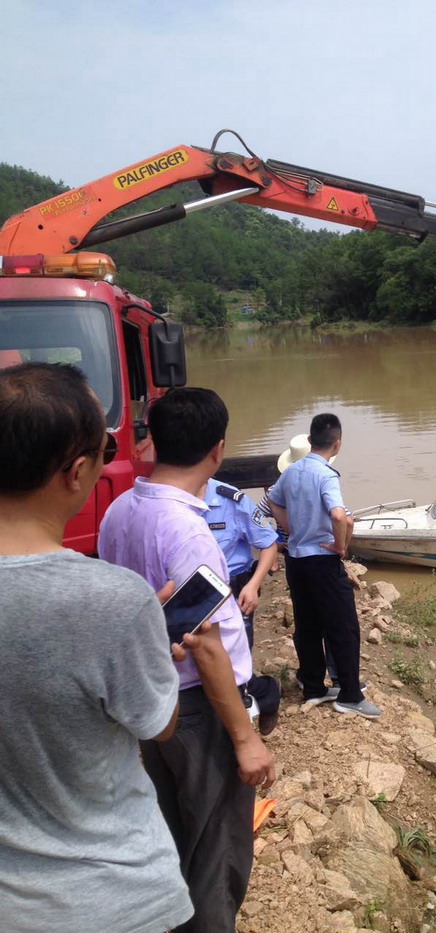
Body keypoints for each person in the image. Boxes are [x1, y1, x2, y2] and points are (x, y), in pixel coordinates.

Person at [0, 362, 193, 933]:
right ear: (78, 471)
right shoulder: (115, 601)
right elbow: (159, 725)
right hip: (113, 898)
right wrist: (148, 649)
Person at [99, 387, 276, 933]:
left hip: (151, 704)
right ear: (218, 450)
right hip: (199, 708)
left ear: (150, 440)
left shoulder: (119, 510)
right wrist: (245, 738)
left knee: (175, 836)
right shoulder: (189, 530)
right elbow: (207, 643)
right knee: (218, 850)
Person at [267, 413, 380, 720]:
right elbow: (340, 516)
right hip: (321, 560)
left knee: (308, 625)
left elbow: (271, 500)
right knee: (343, 627)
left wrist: (290, 527)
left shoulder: (291, 472)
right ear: (337, 443)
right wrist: (341, 547)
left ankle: (314, 686)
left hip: (296, 560)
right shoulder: (326, 475)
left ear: (310, 439)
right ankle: (350, 695)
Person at [202, 478, 281, 734]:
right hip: (196, 592)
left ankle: (260, 699)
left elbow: (268, 543)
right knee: (202, 658)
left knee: (237, 660)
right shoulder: (170, 500)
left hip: (235, 588)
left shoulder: (230, 500)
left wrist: (253, 585)